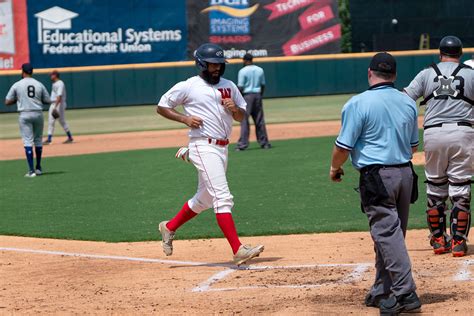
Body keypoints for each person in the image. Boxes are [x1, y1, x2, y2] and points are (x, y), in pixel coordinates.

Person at [156, 43, 264, 266]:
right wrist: (184, 119)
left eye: (220, 65)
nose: (217, 69)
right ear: (201, 64)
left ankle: (168, 227)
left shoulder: (229, 86)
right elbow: (162, 106)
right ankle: (238, 249)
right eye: (213, 65)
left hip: (222, 148)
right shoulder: (189, 86)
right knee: (223, 197)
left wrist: (234, 108)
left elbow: (241, 117)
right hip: (202, 146)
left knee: (204, 199)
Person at [330, 53, 421, 314]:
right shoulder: (408, 103)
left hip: (377, 176)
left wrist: (335, 168)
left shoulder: (358, 103)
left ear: (370, 73)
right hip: (405, 174)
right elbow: (413, 146)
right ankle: (382, 290)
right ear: (393, 75)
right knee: (392, 234)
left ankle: (405, 293)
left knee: (387, 234)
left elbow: (342, 147)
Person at [405, 35, 473, 257]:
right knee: (460, 188)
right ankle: (458, 243)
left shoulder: (427, 73)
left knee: (435, 188)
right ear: (460, 54)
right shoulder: (471, 74)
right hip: (464, 133)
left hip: (433, 133)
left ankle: (437, 240)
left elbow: (405, 99)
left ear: (440, 53)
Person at [4, 63, 51, 177]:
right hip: (38, 113)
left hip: (24, 114)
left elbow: (7, 101)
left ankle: (31, 171)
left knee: (27, 141)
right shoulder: (39, 84)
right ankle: (38, 168)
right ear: (32, 72)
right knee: (38, 140)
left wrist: (17, 99)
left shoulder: (17, 84)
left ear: (23, 71)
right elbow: (48, 100)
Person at [235, 53, 271, 151]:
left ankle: (242, 144)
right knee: (259, 120)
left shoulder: (242, 71)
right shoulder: (260, 70)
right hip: (257, 95)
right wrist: (260, 96)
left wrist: (238, 99)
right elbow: (263, 85)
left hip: (247, 96)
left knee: (244, 120)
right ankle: (264, 143)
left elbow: (241, 87)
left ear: (245, 60)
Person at [43, 70, 74, 144]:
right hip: (54, 103)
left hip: (59, 104)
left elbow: (59, 97)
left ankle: (69, 137)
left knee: (60, 121)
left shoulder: (60, 83)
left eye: (51, 75)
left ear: (55, 75)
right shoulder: (54, 83)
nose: (50, 76)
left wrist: (55, 107)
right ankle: (50, 138)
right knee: (52, 121)